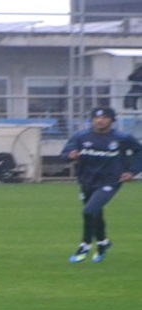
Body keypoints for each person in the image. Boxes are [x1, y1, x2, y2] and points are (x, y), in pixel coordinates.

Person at [61, 107, 142, 263]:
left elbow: (139, 152)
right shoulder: (81, 136)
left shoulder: (122, 137)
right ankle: (103, 242)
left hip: (110, 180)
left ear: (112, 120)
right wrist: (70, 156)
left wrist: (132, 171)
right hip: (87, 180)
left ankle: (84, 245)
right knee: (95, 213)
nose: (100, 120)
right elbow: (65, 153)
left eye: (105, 117)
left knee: (89, 211)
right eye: (96, 118)